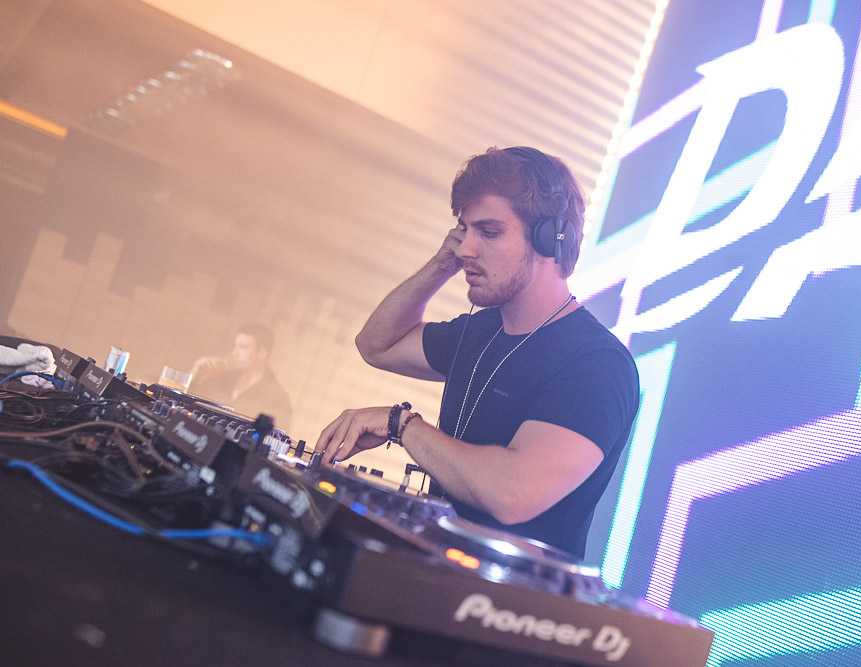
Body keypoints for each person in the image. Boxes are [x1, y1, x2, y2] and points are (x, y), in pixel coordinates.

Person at [314, 147, 639, 558]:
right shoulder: (479, 331)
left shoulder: (597, 364)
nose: (465, 249)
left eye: (488, 231)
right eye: (464, 231)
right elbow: (376, 345)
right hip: (431, 572)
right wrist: (440, 265)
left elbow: (512, 493)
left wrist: (403, 425)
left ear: (550, 239)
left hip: (504, 596)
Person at [188, 323, 293, 428]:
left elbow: (274, 434)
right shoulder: (223, 378)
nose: (234, 353)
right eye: (235, 346)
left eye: (243, 347)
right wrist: (195, 377)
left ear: (261, 354)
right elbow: (189, 407)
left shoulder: (278, 398)